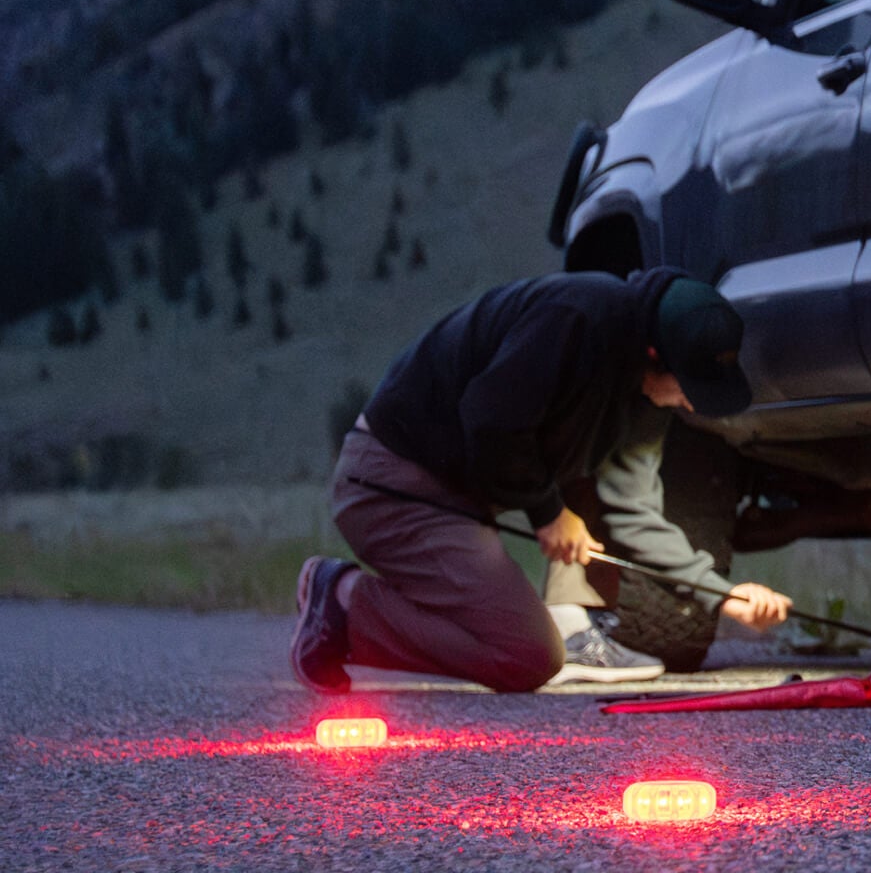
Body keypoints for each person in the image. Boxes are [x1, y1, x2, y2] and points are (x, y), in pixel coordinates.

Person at [290, 269, 793, 694]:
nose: (689, 403)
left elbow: (635, 509)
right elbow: (489, 422)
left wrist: (721, 593)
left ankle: (568, 619)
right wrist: (549, 513)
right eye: (690, 387)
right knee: (524, 657)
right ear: (654, 353)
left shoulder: (644, 392)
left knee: (524, 638)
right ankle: (342, 601)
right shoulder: (576, 319)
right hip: (394, 485)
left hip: (460, 495)